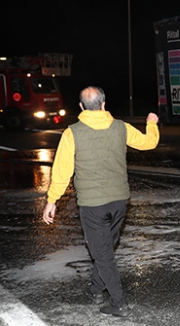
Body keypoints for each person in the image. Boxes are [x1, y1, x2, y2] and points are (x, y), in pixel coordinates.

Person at [42, 86, 160, 317]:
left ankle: (119, 302)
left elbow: (62, 171)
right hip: (119, 202)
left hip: (92, 204)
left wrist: (52, 200)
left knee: (102, 252)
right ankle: (96, 287)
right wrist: (152, 123)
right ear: (104, 104)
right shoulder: (121, 127)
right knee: (104, 247)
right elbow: (149, 143)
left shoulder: (72, 133)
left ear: (81, 107)